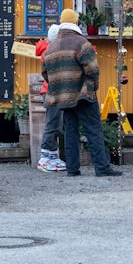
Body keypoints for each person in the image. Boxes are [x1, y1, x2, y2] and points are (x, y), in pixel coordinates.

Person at [41, 9, 122, 177]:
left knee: (70, 131)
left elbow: (45, 74)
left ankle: (72, 168)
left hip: (63, 98)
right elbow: (93, 70)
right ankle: (102, 167)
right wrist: (92, 89)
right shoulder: (81, 43)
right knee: (93, 129)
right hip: (83, 95)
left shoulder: (51, 47)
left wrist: (60, 88)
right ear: (76, 23)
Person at [35, 24, 66, 172]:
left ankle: (52, 157)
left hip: (50, 91)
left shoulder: (46, 49)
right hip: (52, 92)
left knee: (55, 125)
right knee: (52, 125)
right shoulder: (50, 51)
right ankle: (45, 158)